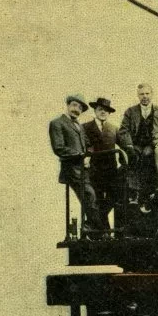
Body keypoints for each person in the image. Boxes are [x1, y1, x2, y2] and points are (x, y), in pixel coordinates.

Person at [48, 94, 104, 235]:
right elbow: (59, 148)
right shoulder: (57, 123)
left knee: (96, 193)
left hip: (84, 168)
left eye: (80, 108)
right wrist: (80, 156)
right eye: (74, 105)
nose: (76, 109)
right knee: (89, 195)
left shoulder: (79, 126)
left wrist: (88, 157)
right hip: (71, 169)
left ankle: (90, 227)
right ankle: (99, 231)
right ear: (67, 105)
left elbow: (88, 144)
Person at [82, 97, 125, 232]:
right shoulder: (85, 127)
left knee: (115, 195)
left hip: (111, 170)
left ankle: (98, 223)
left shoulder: (113, 129)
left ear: (109, 113)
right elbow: (82, 146)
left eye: (106, 110)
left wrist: (125, 161)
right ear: (95, 110)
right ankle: (103, 231)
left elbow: (124, 145)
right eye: (100, 109)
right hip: (94, 170)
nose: (103, 112)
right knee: (97, 199)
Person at [118, 84, 158, 205]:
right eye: (142, 94)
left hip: (152, 144)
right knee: (133, 156)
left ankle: (148, 193)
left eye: (147, 94)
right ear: (138, 95)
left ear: (152, 94)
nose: (144, 97)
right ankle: (134, 193)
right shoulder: (130, 111)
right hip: (135, 144)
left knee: (148, 155)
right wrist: (129, 145)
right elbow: (123, 131)